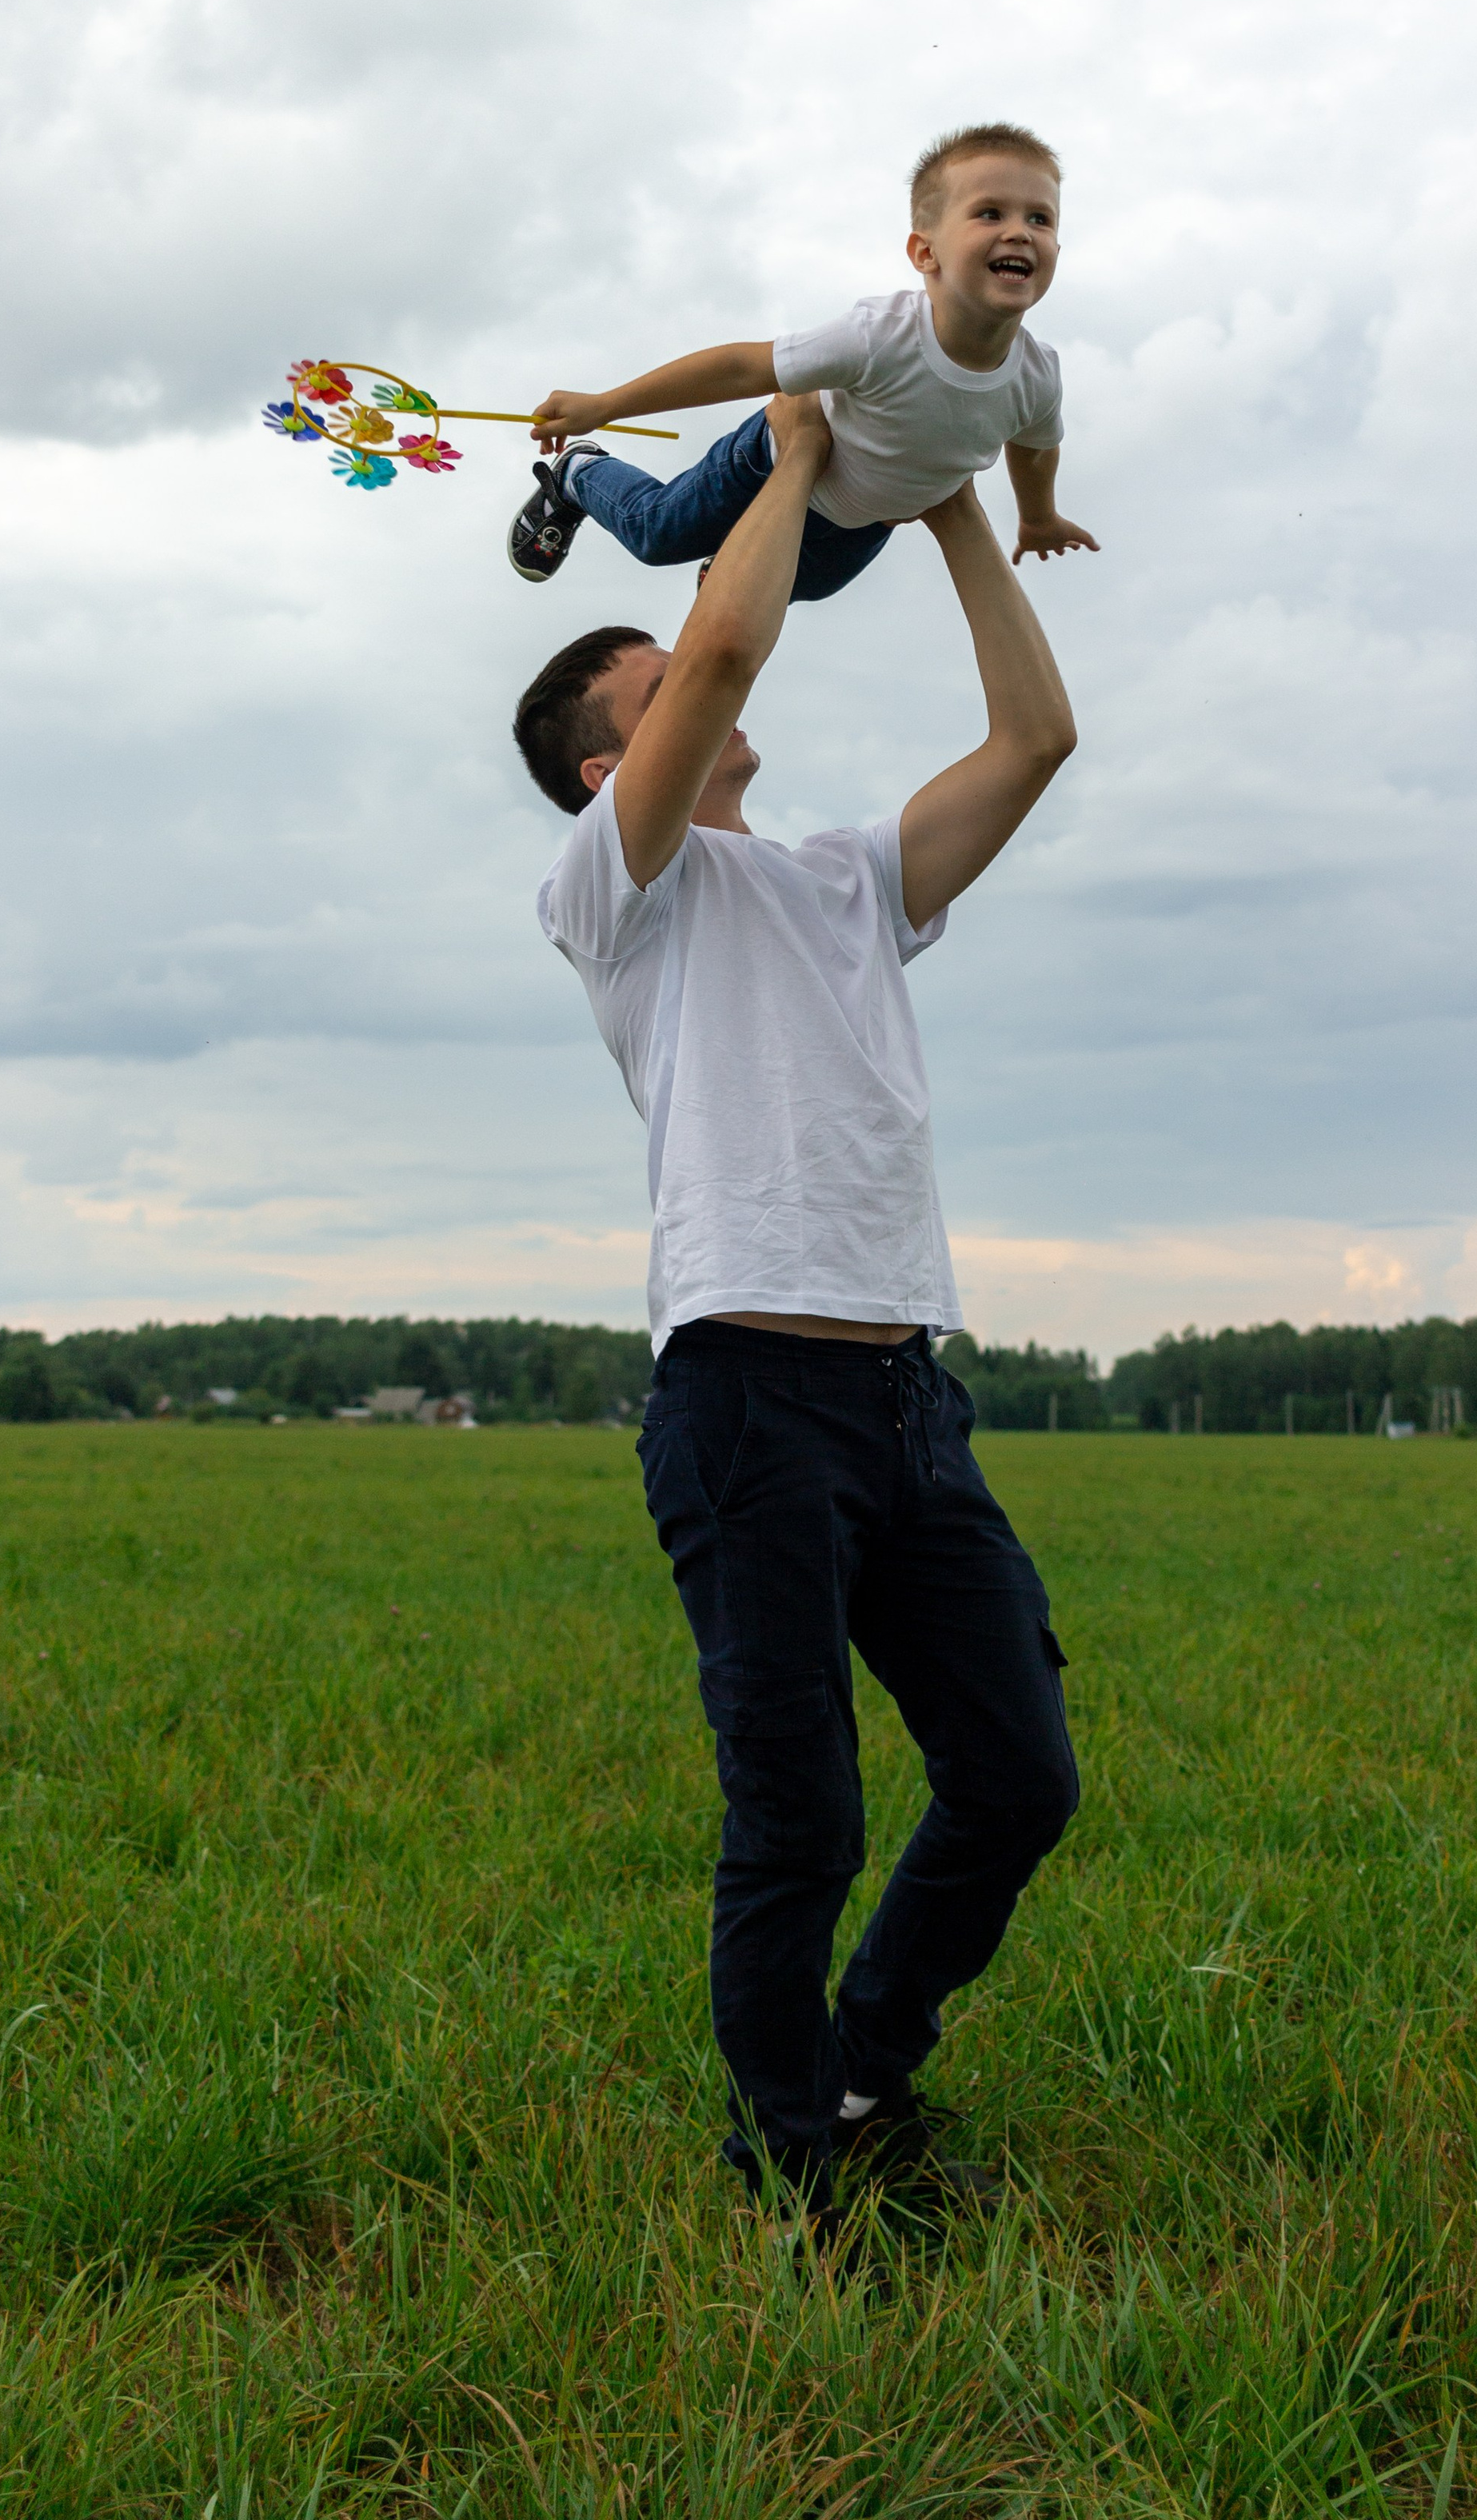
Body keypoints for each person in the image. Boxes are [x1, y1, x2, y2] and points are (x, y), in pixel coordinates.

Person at [515, 390, 1082, 2246]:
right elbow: (733, 633)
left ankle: (861, 2062)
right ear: (613, 765)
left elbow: (1034, 733)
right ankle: (792, 2171)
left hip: (909, 1398)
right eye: (653, 682)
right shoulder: (618, 891)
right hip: (746, 1397)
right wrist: (778, 443)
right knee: (800, 1816)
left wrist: (948, 517)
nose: (698, 674)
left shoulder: (843, 875)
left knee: (1012, 1772)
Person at [508, 122, 1100, 601]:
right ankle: (580, 475)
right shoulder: (878, 337)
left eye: (1040, 218)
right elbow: (742, 367)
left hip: (864, 522)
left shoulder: (1037, 376)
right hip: (768, 464)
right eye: (990, 214)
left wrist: (1039, 517)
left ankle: (733, 561)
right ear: (926, 253)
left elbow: (1036, 446)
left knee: (806, 589)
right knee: (656, 534)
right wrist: (605, 405)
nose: (1020, 233)